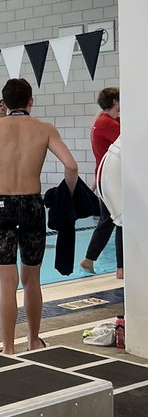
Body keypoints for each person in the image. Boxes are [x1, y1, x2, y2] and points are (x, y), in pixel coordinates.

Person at [0, 78, 78, 356]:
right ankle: (34, 340)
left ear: (5, 103)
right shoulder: (44, 129)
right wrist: (67, 197)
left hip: (1, 206)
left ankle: (8, 348)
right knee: (32, 280)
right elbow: (71, 166)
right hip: (32, 205)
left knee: (6, 282)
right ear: (30, 101)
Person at [80, 86, 123, 278]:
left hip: (105, 179)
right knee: (121, 220)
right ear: (115, 102)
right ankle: (122, 268)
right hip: (110, 181)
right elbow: (130, 138)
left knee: (108, 221)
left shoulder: (104, 121)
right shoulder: (108, 124)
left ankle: (88, 260)